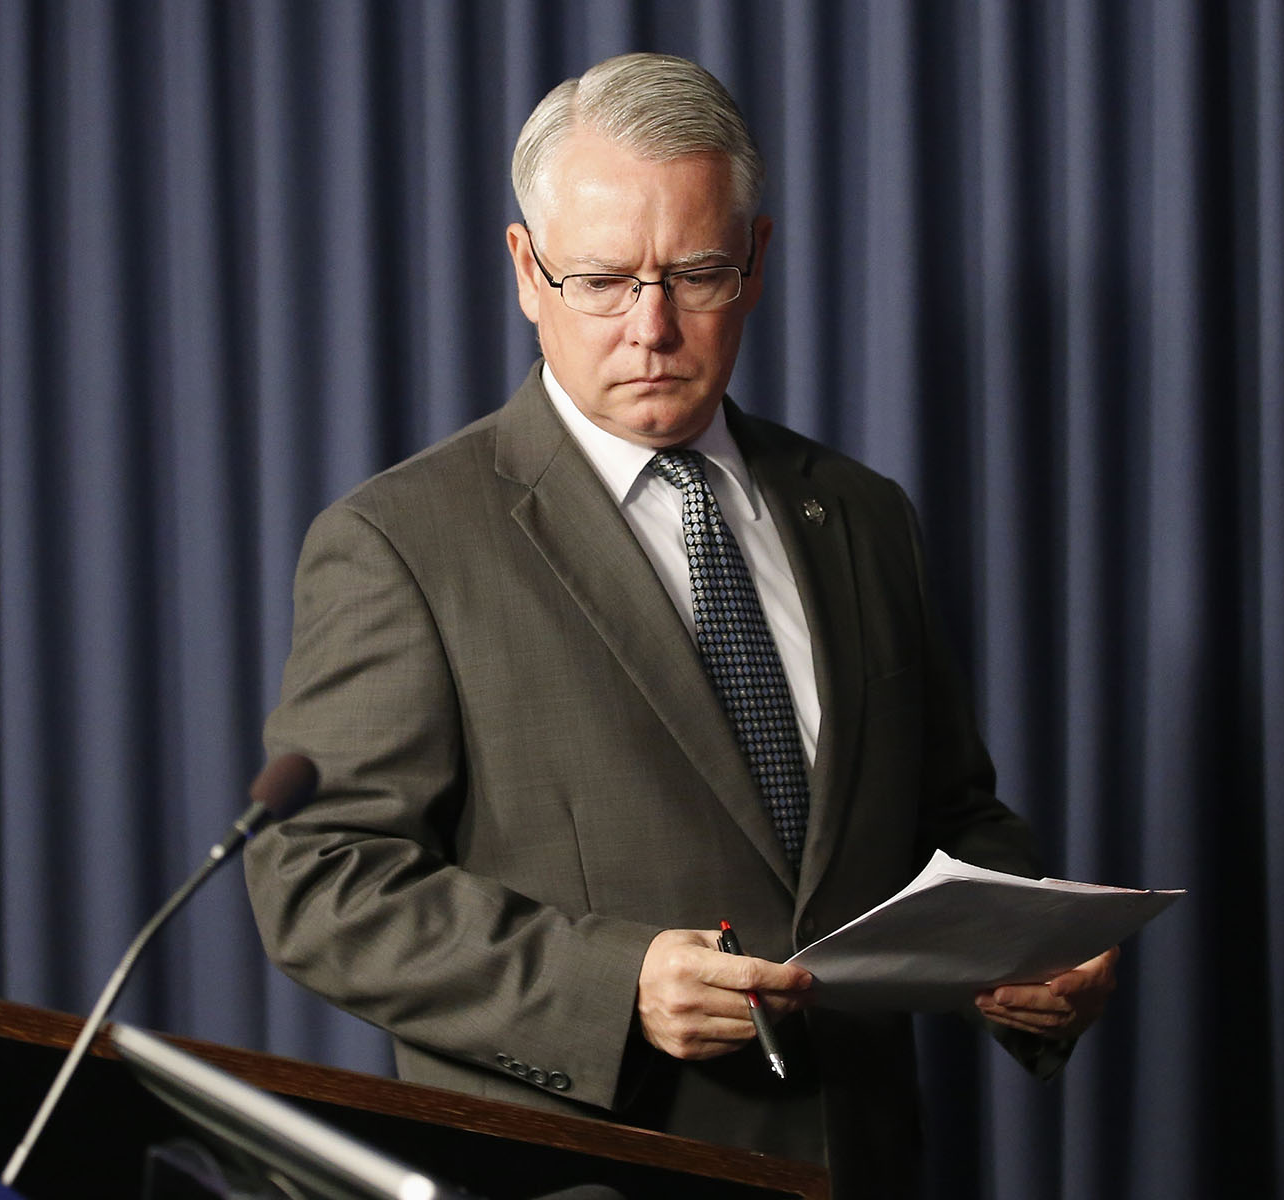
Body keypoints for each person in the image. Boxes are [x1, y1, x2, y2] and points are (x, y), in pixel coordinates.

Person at [243, 52, 1116, 1198]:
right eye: (601, 281)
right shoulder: (402, 540)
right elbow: (318, 880)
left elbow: (947, 813)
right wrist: (613, 985)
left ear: (755, 264)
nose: (649, 328)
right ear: (525, 270)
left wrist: (1025, 950)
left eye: (694, 274)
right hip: (589, 1171)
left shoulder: (861, 513)